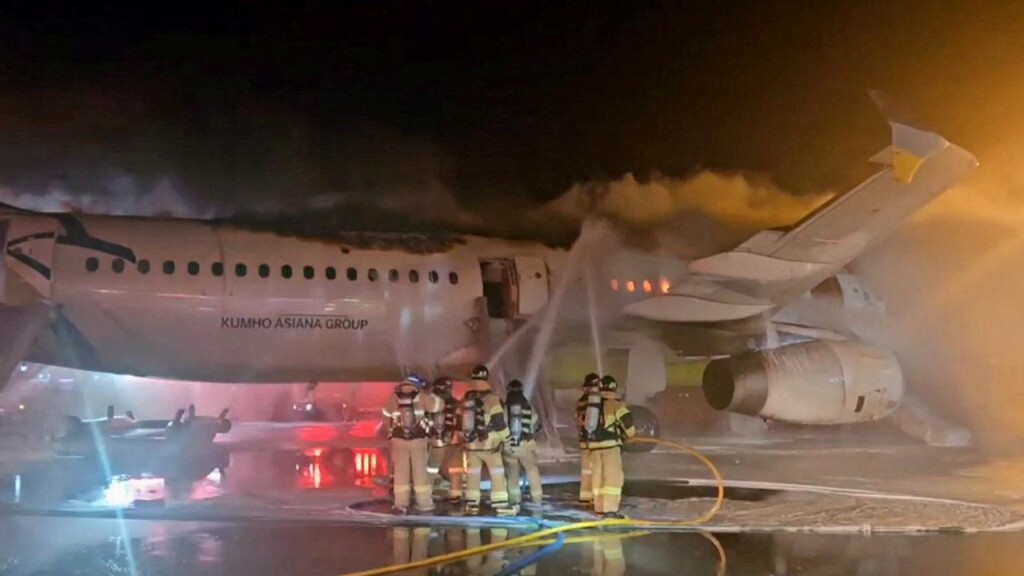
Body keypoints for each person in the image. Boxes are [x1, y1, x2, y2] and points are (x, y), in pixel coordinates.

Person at [460, 364, 515, 516]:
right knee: (497, 473)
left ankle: (472, 505)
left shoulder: (466, 398)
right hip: (490, 445)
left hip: (471, 445)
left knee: (472, 475)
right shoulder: (492, 399)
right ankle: (501, 505)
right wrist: (507, 438)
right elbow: (498, 422)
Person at [583, 374, 636, 518]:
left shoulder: (592, 404)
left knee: (598, 479)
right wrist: (629, 436)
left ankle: (599, 508)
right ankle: (610, 510)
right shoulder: (617, 404)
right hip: (610, 447)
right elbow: (629, 428)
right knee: (612, 479)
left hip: (593, 447)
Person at [381, 374, 434, 514]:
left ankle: (400, 504)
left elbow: (386, 415)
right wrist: (430, 393)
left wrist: (392, 432)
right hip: (418, 439)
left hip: (398, 440)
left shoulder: (394, 397)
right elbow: (438, 406)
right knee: (420, 472)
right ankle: (424, 504)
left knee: (400, 473)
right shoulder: (421, 395)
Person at [502, 379, 543, 507]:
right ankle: (537, 499)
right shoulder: (529, 407)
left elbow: (501, 425)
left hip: (509, 446)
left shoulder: (505, 407)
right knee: (532, 471)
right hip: (526, 445)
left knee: (512, 474)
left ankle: (514, 500)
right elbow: (536, 425)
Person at [427, 376, 466, 503]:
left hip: (436, 441)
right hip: (454, 441)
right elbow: (462, 421)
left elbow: (426, 422)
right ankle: (456, 494)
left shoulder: (431, 404)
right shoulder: (456, 403)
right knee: (455, 469)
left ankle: (427, 494)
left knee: (432, 467)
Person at [577, 372, 601, 505]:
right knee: (597, 469)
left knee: (586, 470)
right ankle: (596, 498)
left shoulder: (581, 400)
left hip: (583, 440)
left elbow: (578, 421)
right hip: (596, 441)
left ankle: (585, 496)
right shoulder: (597, 400)